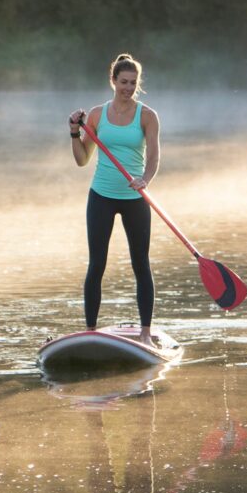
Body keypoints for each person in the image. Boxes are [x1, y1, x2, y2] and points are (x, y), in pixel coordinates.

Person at [68, 54, 161, 341]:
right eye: (123, 82)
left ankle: (145, 331)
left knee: (140, 264)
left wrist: (144, 179)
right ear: (113, 81)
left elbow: (154, 156)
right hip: (102, 196)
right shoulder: (96, 115)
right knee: (97, 264)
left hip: (135, 197)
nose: (128, 88)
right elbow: (82, 160)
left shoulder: (147, 116)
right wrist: (74, 132)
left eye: (133, 83)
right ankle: (91, 331)